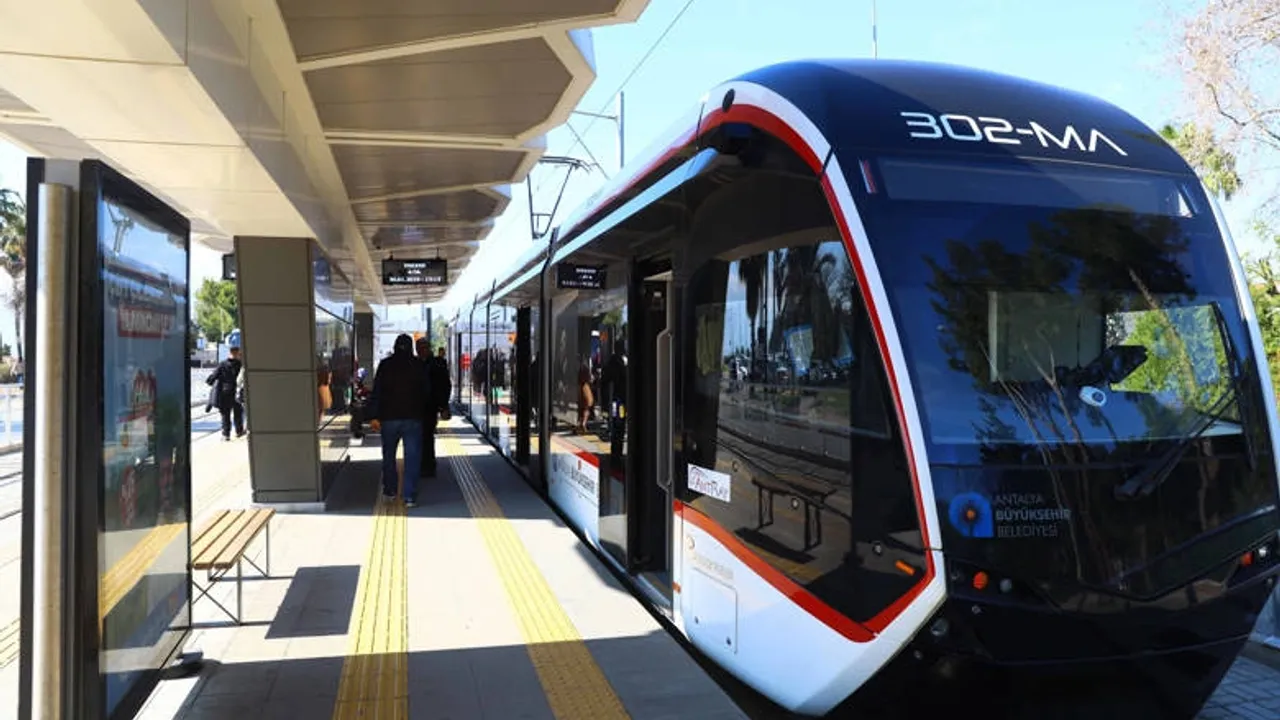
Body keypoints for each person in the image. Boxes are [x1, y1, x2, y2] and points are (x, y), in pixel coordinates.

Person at [368, 334, 432, 506]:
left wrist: (374, 415)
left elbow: (377, 392)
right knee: (412, 457)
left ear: (395, 347)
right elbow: (427, 391)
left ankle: (390, 490)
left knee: (389, 456)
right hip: (413, 418)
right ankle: (409, 496)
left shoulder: (385, 365)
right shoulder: (419, 365)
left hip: (389, 419)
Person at [206, 345, 245, 441]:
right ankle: (239, 431)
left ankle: (226, 434)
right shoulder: (241, 364)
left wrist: (210, 381)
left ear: (230, 352)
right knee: (238, 412)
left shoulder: (222, 364)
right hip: (237, 392)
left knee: (225, 414)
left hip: (225, 392)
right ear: (237, 353)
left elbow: (212, 378)